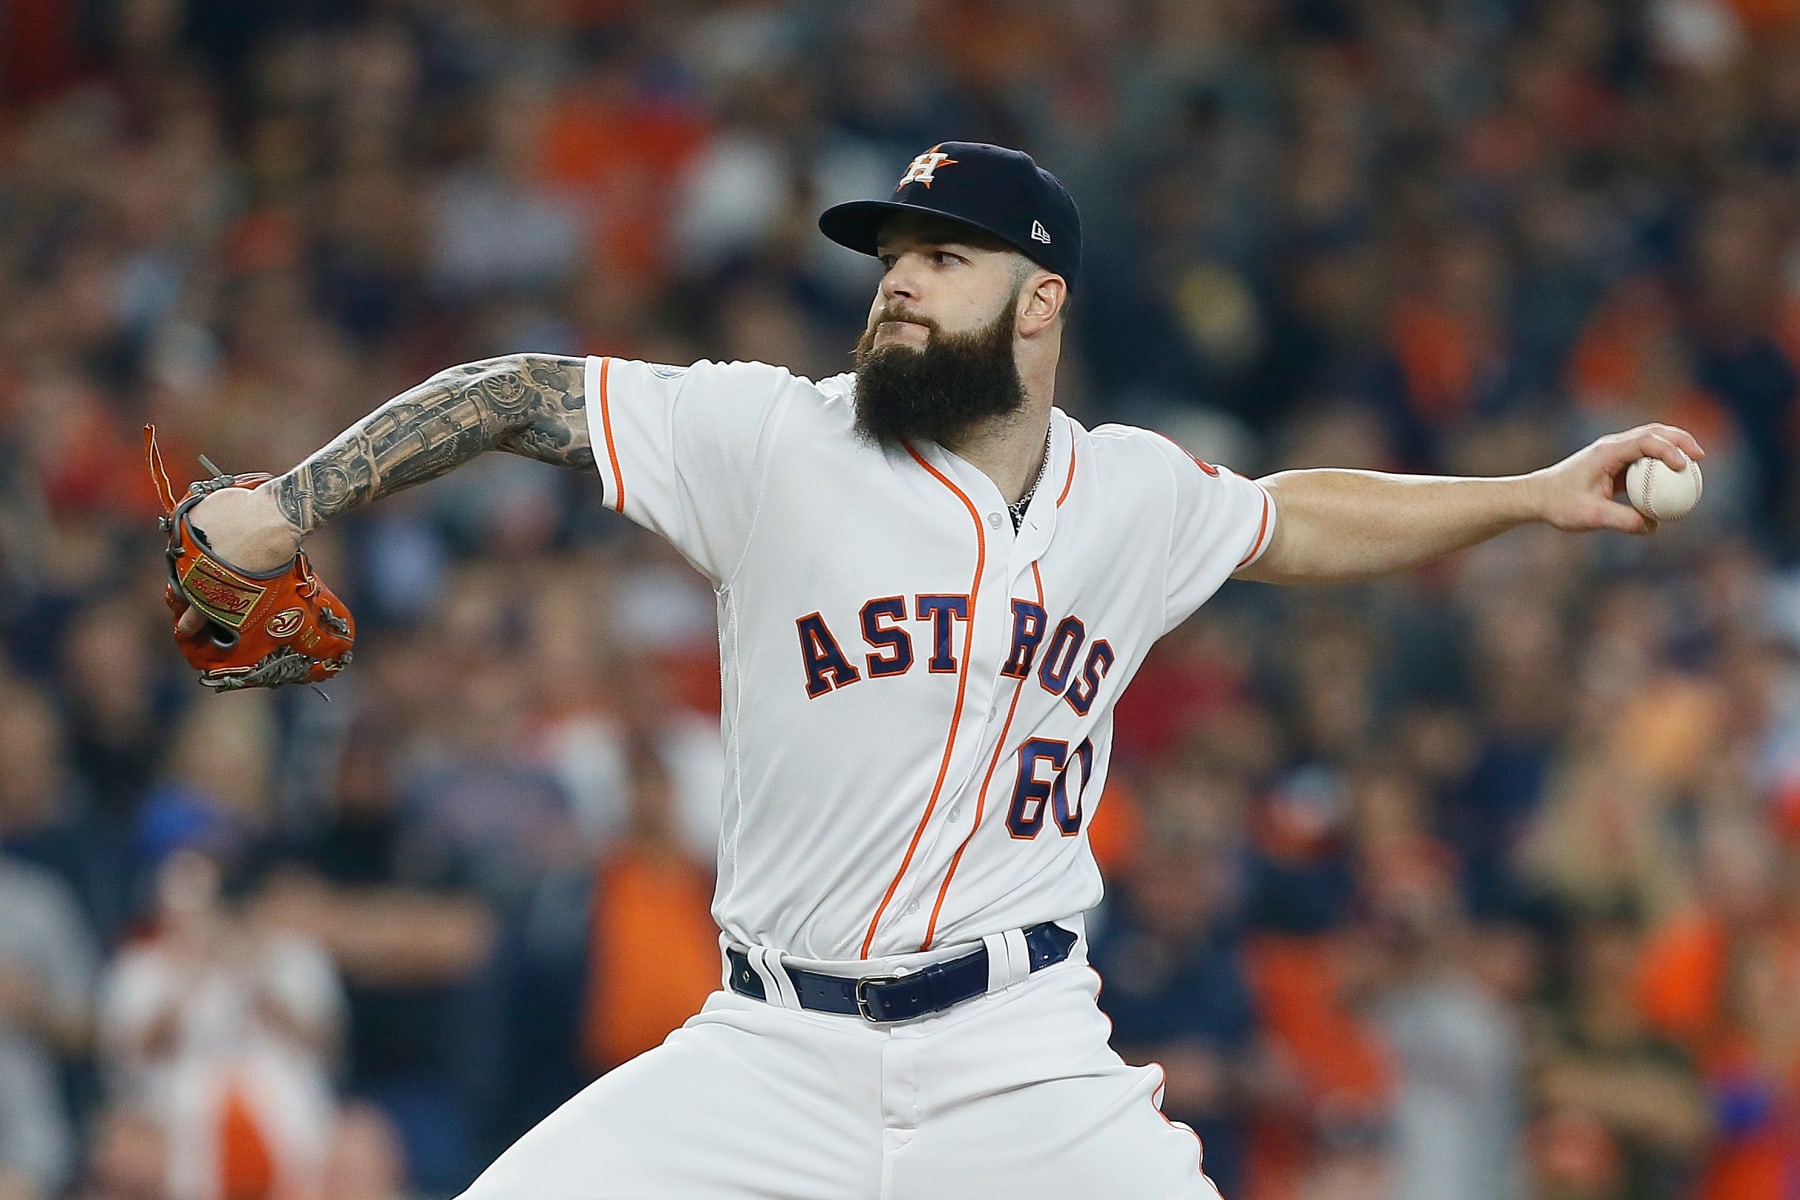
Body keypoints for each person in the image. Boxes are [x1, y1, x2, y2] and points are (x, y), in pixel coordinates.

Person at [172, 142, 1706, 1199]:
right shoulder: (774, 439)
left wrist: (1526, 493)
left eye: (942, 257)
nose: (897, 282)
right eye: (888, 256)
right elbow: (520, 392)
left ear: (1042, 301)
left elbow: (1295, 517)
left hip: (1022, 1061)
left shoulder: (1134, 494)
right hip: (769, 1050)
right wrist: (291, 501)